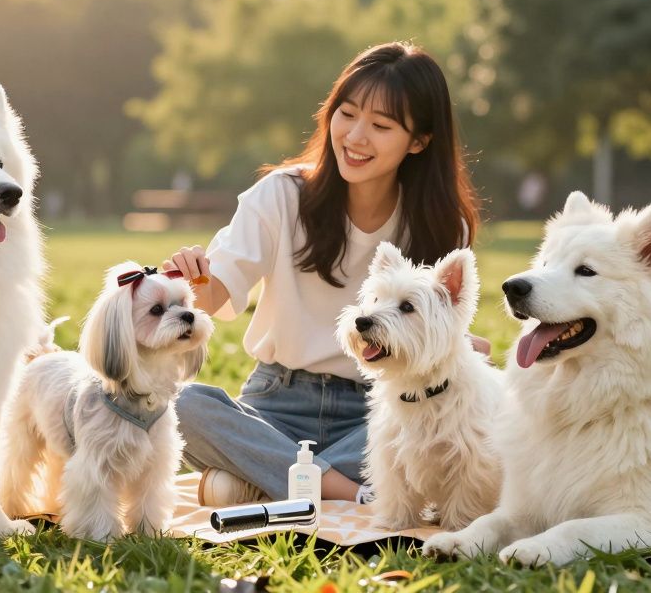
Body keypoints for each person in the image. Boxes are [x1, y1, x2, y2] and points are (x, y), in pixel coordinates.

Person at [165, 42, 485, 508]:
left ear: (418, 141)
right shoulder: (280, 195)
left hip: (379, 408)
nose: (355, 137)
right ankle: (348, 491)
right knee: (181, 406)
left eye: (380, 126)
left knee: (443, 424)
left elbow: (436, 329)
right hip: (275, 402)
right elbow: (215, 297)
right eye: (347, 114)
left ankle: (263, 481)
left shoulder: (440, 224)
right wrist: (192, 281)